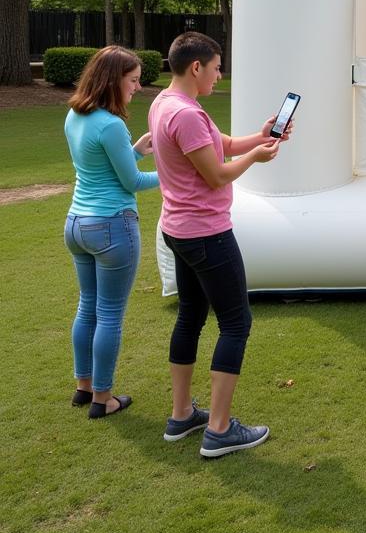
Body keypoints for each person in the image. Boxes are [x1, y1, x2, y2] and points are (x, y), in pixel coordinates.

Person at [149, 31, 288, 458]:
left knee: (191, 316)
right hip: (205, 232)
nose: (219, 73)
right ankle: (220, 429)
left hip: (179, 229)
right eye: (216, 67)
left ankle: (181, 415)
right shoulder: (186, 115)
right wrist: (255, 159)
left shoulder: (166, 104)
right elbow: (218, 174)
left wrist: (260, 136)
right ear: (197, 67)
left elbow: (221, 146)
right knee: (236, 322)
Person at [64, 46, 160, 419]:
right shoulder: (111, 124)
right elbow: (132, 182)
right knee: (109, 315)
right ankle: (104, 399)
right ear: (112, 80)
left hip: (76, 225)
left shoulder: (75, 115)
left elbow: (99, 167)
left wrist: (134, 150)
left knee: (87, 307)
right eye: (133, 80)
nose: (137, 87)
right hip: (111, 227)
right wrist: (176, 174)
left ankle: (83, 388)